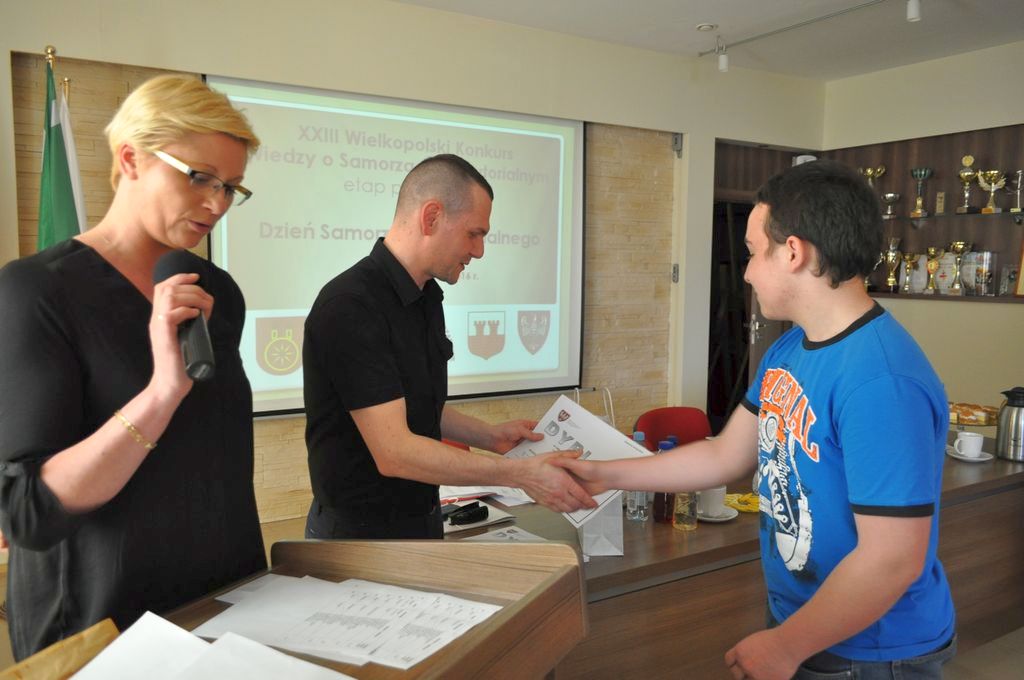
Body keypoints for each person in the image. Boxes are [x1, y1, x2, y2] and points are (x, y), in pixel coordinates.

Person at [555, 160, 956, 679]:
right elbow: (725, 455)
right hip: (807, 621)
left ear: (793, 252)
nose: (745, 272)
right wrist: (602, 474)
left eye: (751, 251)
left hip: (872, 650)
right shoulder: (789, 350)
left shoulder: (881, 380)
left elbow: (892, 559)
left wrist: (786, 646)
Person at [0, 75, 266, 659]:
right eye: (198, 177)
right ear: (131, 159)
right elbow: (28, 513)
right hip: (102, 631)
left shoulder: (216, 290)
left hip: (225, 612)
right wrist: (161, 393)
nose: (217, 203)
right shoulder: (36, 292)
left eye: (230, 187)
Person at [303, 154, 595, 540]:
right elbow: (395, 452)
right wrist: (520, 474)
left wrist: (490, 436)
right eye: (474, 233)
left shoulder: (425, 296)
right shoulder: (350, 305)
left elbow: (417, 406)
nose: (479, 251)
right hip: (359, 538)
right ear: (431, 217)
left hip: (422, 520)